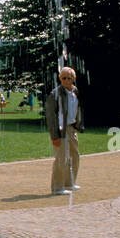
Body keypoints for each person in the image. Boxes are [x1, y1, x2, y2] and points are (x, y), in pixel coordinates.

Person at [48, 66, 84, 194]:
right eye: (63, 78)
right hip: (60, 129)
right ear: (60, 78)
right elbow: (51, 117)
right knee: (61, 158)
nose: (66, 81)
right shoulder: (55, 94)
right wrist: (54, 136)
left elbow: (78, 109)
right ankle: (57, 187)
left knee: (74, 156)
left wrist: (79, 124)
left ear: (74, 78)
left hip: (72, 128)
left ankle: (69, 183)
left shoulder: (75, 91)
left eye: (69, 78)